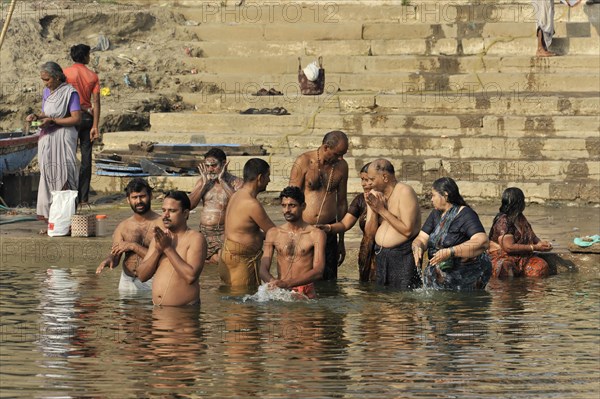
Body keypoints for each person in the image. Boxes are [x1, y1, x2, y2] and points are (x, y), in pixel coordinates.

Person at [412, 177, 491, 290]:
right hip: (440, 275)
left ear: (445, 195)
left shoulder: (465, 214)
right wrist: (417, 246)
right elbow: (421, 238)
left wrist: (450, 252)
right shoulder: (435, 214)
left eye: (433, 195)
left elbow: (482, 241)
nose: (431, 199)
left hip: (464, 276)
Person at [289, 130, 349, 280]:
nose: (340, 158)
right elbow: (290, 200)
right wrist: (292, 233)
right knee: (302, 280)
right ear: (326, 147)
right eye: (337, 154)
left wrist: (341, 241)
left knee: (329, 283)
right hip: (304, 231)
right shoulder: (304, 161)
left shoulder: (342, 166)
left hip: (328, 232)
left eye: (343, 154)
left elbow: (342, 203)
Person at [26, 61, 81, 221]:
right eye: (43, 80)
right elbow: (46, 112)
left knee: (63, 174)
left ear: (57, 77)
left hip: (63, 137)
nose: (45, 83)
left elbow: (76, 118)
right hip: (47, 138)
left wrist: (54, 121)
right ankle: (50, 217)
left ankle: (64, 217)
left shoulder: (70, 93)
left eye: (47, 79)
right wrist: (37, 116)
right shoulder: (46, 92)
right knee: (48, 174)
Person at [136, 191, 207, 306]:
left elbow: (190, 276)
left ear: (185, 213)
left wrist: (168, 248)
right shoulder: (160, 238)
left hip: (183, 314)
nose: (165, 215)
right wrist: (158, 251)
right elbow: (142, 276)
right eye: (163, 210)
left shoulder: (196, 238)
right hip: (158, 315)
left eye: (172, 211)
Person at [363, 159, 422, 289]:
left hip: (402, 256)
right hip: (381, 255)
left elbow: (407, 230)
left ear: (384, 177)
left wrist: (381, 210)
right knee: (384, 301)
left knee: (402, 302)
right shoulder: (375, 194)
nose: (369, 183)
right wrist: (373, 210)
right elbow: (370, 234)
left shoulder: (405, 191)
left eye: (372, 179)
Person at [95, 178, 162, 291]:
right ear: (128, 200)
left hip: (152, 279)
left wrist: (133, 246)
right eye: (134, 197)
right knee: (124, 309)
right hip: (127, 280)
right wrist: (109, 260)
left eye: (142, 196)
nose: (139, 201)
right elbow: (116, 255)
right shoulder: (123, 227)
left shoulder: (161, 224)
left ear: (151, 196)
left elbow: (161, 259)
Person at [259, 186, 326, 299]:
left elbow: (318, 271)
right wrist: (273, 283)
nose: (287, 210)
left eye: (292, 205)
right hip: (280, 292)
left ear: (303, 206)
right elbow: (263, 268)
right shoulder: (273, 233)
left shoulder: (316, 234)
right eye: (284, 205)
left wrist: (287, 284)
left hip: (305, 293)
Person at [218, 158, 275, 287]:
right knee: (243, 305)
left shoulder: (236, 195)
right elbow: (273, 232)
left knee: (236, 303)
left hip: (229, 257)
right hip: (240, 262)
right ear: (260, 178)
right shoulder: (251, 204)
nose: (269, 181)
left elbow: (245, 230)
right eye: (268, 176)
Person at [317, 163, 376, 281]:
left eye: (367, 180)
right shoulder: (360, 200)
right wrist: (329, 227)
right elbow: (345, 224)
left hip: (382, 252)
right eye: (362, 179)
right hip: (366, 249)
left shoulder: (388, 199)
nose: (363, 184)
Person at [189, 148, 243, 263]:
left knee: (222, 261)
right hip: (203, 233)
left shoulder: (236, 183)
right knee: (192, 259)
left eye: (213, 165)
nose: (210, 169)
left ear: (224, 164)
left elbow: (239, 205)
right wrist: (203, 185)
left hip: (224, 233)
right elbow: (189, 205)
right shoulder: (203, 182)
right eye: (207, 166)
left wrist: (222, 182)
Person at [64, 44, 101, 204]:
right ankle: (83, 198)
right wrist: (95, 126)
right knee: (86, 159)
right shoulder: (92, 76)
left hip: (70, 118)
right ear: (85, 56)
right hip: (86, 119)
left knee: (68, 157)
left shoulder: (65, 73)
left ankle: (68, 196)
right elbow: (97, 102)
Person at [488, 187, 553, 278]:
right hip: (503, 257)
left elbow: (532, 236)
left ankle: (529, 289)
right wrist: (535, 247)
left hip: (523, 257)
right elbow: (508, 247)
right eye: (523, 200)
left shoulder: (520, 217)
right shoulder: (503, 221)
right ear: (518, 203)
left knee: (540, 268)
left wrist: (540, 243)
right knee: (506, 269)